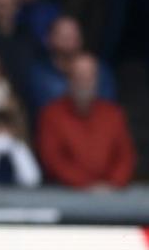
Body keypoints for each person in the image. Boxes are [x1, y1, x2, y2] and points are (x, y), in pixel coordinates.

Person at [37, 53, 136, 189]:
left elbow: (125, 157)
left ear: (97, 80)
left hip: (111, 195)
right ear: (69, 79)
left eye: (89, 76)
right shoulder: (52, 115)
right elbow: (53, 159)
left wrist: (113, 184)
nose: (84, 82)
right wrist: (86, 185)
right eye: (79, 76)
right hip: (66, 194)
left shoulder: (114, 115)